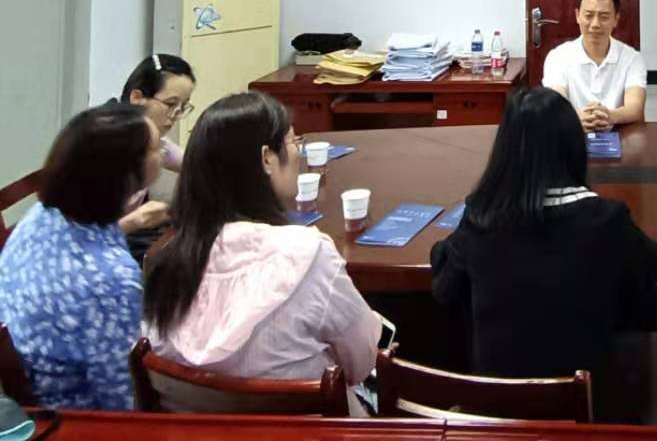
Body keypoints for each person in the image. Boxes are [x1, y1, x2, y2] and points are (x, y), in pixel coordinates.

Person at [142, 92, 380, 404]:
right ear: (267, 158)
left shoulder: (166, 259)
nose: (297, 153)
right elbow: (361, 363)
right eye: (293, 141)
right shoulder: (308, 254)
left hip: (192, 425)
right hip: (307, 425)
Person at [430, 86, 657, 381]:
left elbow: (444, 289)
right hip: (583, 396)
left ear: (505, 148)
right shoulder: (605, 218)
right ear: (574, 146)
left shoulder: (481, 216)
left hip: (498, 399)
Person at [0, 104, 161, 410]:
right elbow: (118, 398)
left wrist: (130, 223)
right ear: (126, 173)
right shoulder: (114, 279)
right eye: (156, 148)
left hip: (26, 388)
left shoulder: (41, 216)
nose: (163, 152)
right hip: (73, 414)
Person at [116, 53, 197, 247]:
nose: (175, 115)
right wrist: (134, 221)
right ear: (137, 98)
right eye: (170, 104)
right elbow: (79, 235)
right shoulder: (103, 145)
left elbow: (197, 165)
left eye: (182, 107)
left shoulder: (156, 143)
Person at [543, 0, 647, 132]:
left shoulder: (632, 58)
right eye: (589, 15)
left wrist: (610, 116)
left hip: (619, 134)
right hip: (571, 134)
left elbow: (635, 108)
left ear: (616, 19)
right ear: (578, 16)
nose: (595, 24)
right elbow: (556, 104)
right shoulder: (557, 57)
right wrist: (574, 118)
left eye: (604, 17)